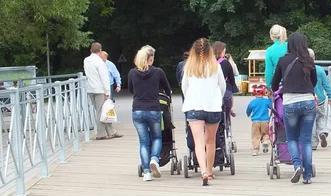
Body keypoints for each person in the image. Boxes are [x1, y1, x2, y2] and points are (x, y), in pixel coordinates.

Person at [271, 33, 317, 184]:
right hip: (308, 102)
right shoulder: (309, 60)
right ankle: (308, 176)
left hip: (290, 102)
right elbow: (314, 81)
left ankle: (297, 165)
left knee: (291, 138)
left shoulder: (283, 60)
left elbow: (274, 83)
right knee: (306, 141)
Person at [182, 38, 226, 186]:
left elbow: (184, 88)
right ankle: (210, 171)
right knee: (211, 141)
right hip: (212, 107)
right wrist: (217, 97)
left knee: (198, 142)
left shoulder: (189, 67)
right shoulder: (215, 66)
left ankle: (202, 171)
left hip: (194, 106)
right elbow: (222, 86)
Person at [128, 45, 172, 182]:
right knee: (157, 138)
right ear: (150, 58)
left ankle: (146, 172)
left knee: (143, 142)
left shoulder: (132, 73)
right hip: (153, 109)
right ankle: (154, 159)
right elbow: (168, 89)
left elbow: (131, 90)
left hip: (137, 110)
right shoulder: (158, 72)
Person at [83, 42, 122, 140]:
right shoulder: (100, 62)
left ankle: (112, 131)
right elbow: (104, 78)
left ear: (90, 50)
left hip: (90, 89)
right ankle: (100, 134)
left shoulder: (86, 60)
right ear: (100, 50)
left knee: (103, 111)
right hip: (100, 89)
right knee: (101, 112)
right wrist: (108, 92)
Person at [308, 48, 331, 150]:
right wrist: (330, 96)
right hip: (321, 99)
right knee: (322, 117)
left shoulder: (303, 69)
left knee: (311, 121)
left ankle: (313, 144)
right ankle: (322, 132)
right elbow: (326, 84)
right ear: (314, 58)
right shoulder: (320, 69)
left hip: (309, 99)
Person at [212, 41, 239, 117]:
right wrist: (234, 87)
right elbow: (231, 78)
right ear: (221, 51)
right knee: (228, 100)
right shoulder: (225, 63)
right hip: (224, 88)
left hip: (211, 89)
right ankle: (228, 114)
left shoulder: (208, 62)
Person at [246, 85, 271, 156]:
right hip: (265, 120)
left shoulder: (253, 102)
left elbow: (248, 110)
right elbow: (271, 107)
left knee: (255, 135)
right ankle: (265, 141)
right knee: (266, 133)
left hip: (255, 121)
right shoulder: (266, 101)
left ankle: (255, 150)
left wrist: (248, 114)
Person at [265, 24, 288, 89]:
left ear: (271, 36)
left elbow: (269, 71)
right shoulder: (290, 46)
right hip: (292, 81)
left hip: (277, 83)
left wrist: (269, 87)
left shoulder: (270, 50)